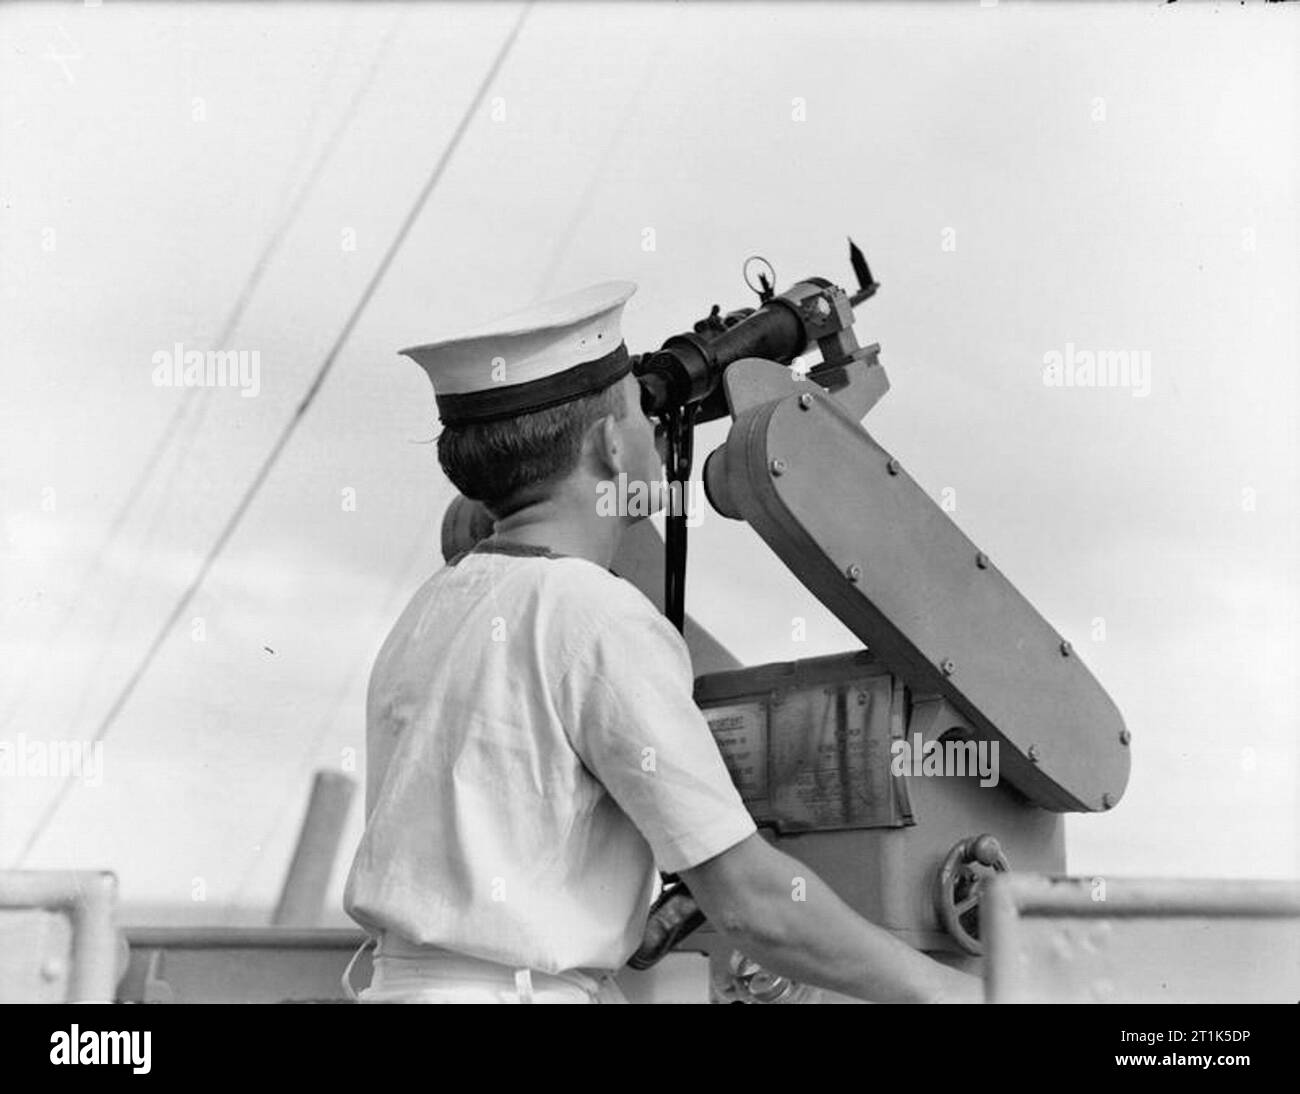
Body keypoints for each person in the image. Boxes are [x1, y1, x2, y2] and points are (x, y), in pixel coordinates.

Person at [341, 281, 980, 1004]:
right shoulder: (596, 619)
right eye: (642, 415)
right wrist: (962, 994)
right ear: (611, 445)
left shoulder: (433, 608)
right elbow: (753, 904)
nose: (657, 430)